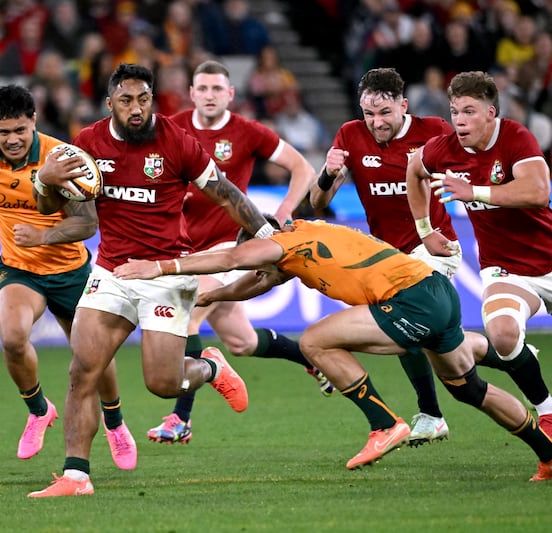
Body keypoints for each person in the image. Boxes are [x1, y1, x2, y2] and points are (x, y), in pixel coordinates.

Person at [113, 217, 552, 480]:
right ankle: (548, 455)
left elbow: (231, 262)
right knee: (468, 389)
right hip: (435, 290)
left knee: (315, 340)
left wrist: (162, 266)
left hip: (410, 300)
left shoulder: (282, 241)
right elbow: (260, 279)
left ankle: (384, 423)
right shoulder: (306, 240)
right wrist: (216, 297)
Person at [27, 63, 275, 497]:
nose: (137, 108)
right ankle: (76, 475)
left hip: (164, 273)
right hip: (112, 272)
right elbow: (57, 208)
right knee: (82, 371)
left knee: (162, 385)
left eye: (144, 99)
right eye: (126, 100)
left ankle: (211, 365)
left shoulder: (178, 143)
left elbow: (227, 194)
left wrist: (269, 238)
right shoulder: (86, 146)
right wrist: (43, 181)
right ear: (110, 104)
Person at [0, 84, 136, 469]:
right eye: (4, 132)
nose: (13, 139)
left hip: (70, 270)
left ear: (34, 121)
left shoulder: (64, 158)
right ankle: (38, 410)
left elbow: (87, 224)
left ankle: (115, 423)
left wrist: (43, 235)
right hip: (20, 269)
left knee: (92, 356)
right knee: (12, 338)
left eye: (20, 130)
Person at [147, 59, 326, 445]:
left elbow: (302, 168)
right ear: (191, 94)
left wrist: (282, 213)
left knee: (188, 319)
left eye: (217, 89)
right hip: (187, 248)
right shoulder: (171, 128)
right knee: (242, 342)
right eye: (203, 89)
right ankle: (312, 360)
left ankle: (181, 419)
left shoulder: (246, 131)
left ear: (230, 94)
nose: (210, 96)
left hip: (231, 247)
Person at [310, 67, 458, 447]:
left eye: (385, 113)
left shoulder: (435, 131)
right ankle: (502, 357)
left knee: (406, 325)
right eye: (369, 114)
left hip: (433, 247)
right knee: (437, 345)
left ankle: (430, 413)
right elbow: (318, 203)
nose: (376, 122)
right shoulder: (350, 135)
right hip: (387, 256)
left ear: (403, 106)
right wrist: (328, 174)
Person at [406, 70, 552, 438]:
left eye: (469, 111)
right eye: (455, 110)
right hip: (507, 270)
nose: (459, 120)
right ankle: (548, 413)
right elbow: (414, 168)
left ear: (491, 113)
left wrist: (476, 192)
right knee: (502, 335)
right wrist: (425, 231)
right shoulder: (445, 148)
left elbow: (537, 191)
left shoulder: (516, 137)